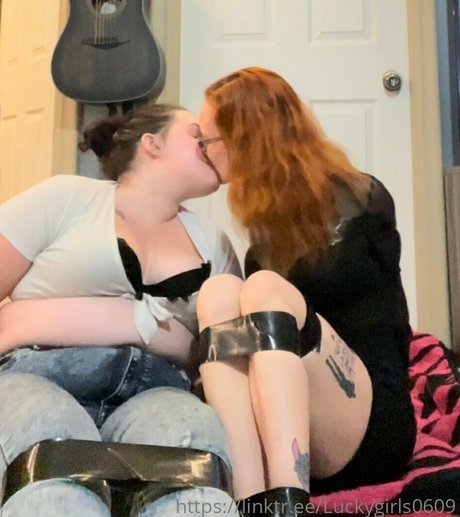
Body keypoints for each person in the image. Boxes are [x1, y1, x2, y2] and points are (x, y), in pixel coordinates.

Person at [194, 67, 417, 517]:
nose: (201, 150)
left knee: (261, 288)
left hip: (369, 420)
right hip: (297, 433)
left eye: (206, 140)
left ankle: (288, 505)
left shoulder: (362, 199)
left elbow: (372, 307)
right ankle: (251, 500)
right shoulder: (262, 247)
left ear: (243, 140)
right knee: (219, 292)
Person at [0, 104, 242, 516]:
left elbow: (216, 361)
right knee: (54, 445)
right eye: (196, 134)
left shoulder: (215, 245)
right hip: (38, 375)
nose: (211, 144)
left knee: (193, 439)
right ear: (152, 143)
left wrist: (142, 328)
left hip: (157, 390)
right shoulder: (66, 198)